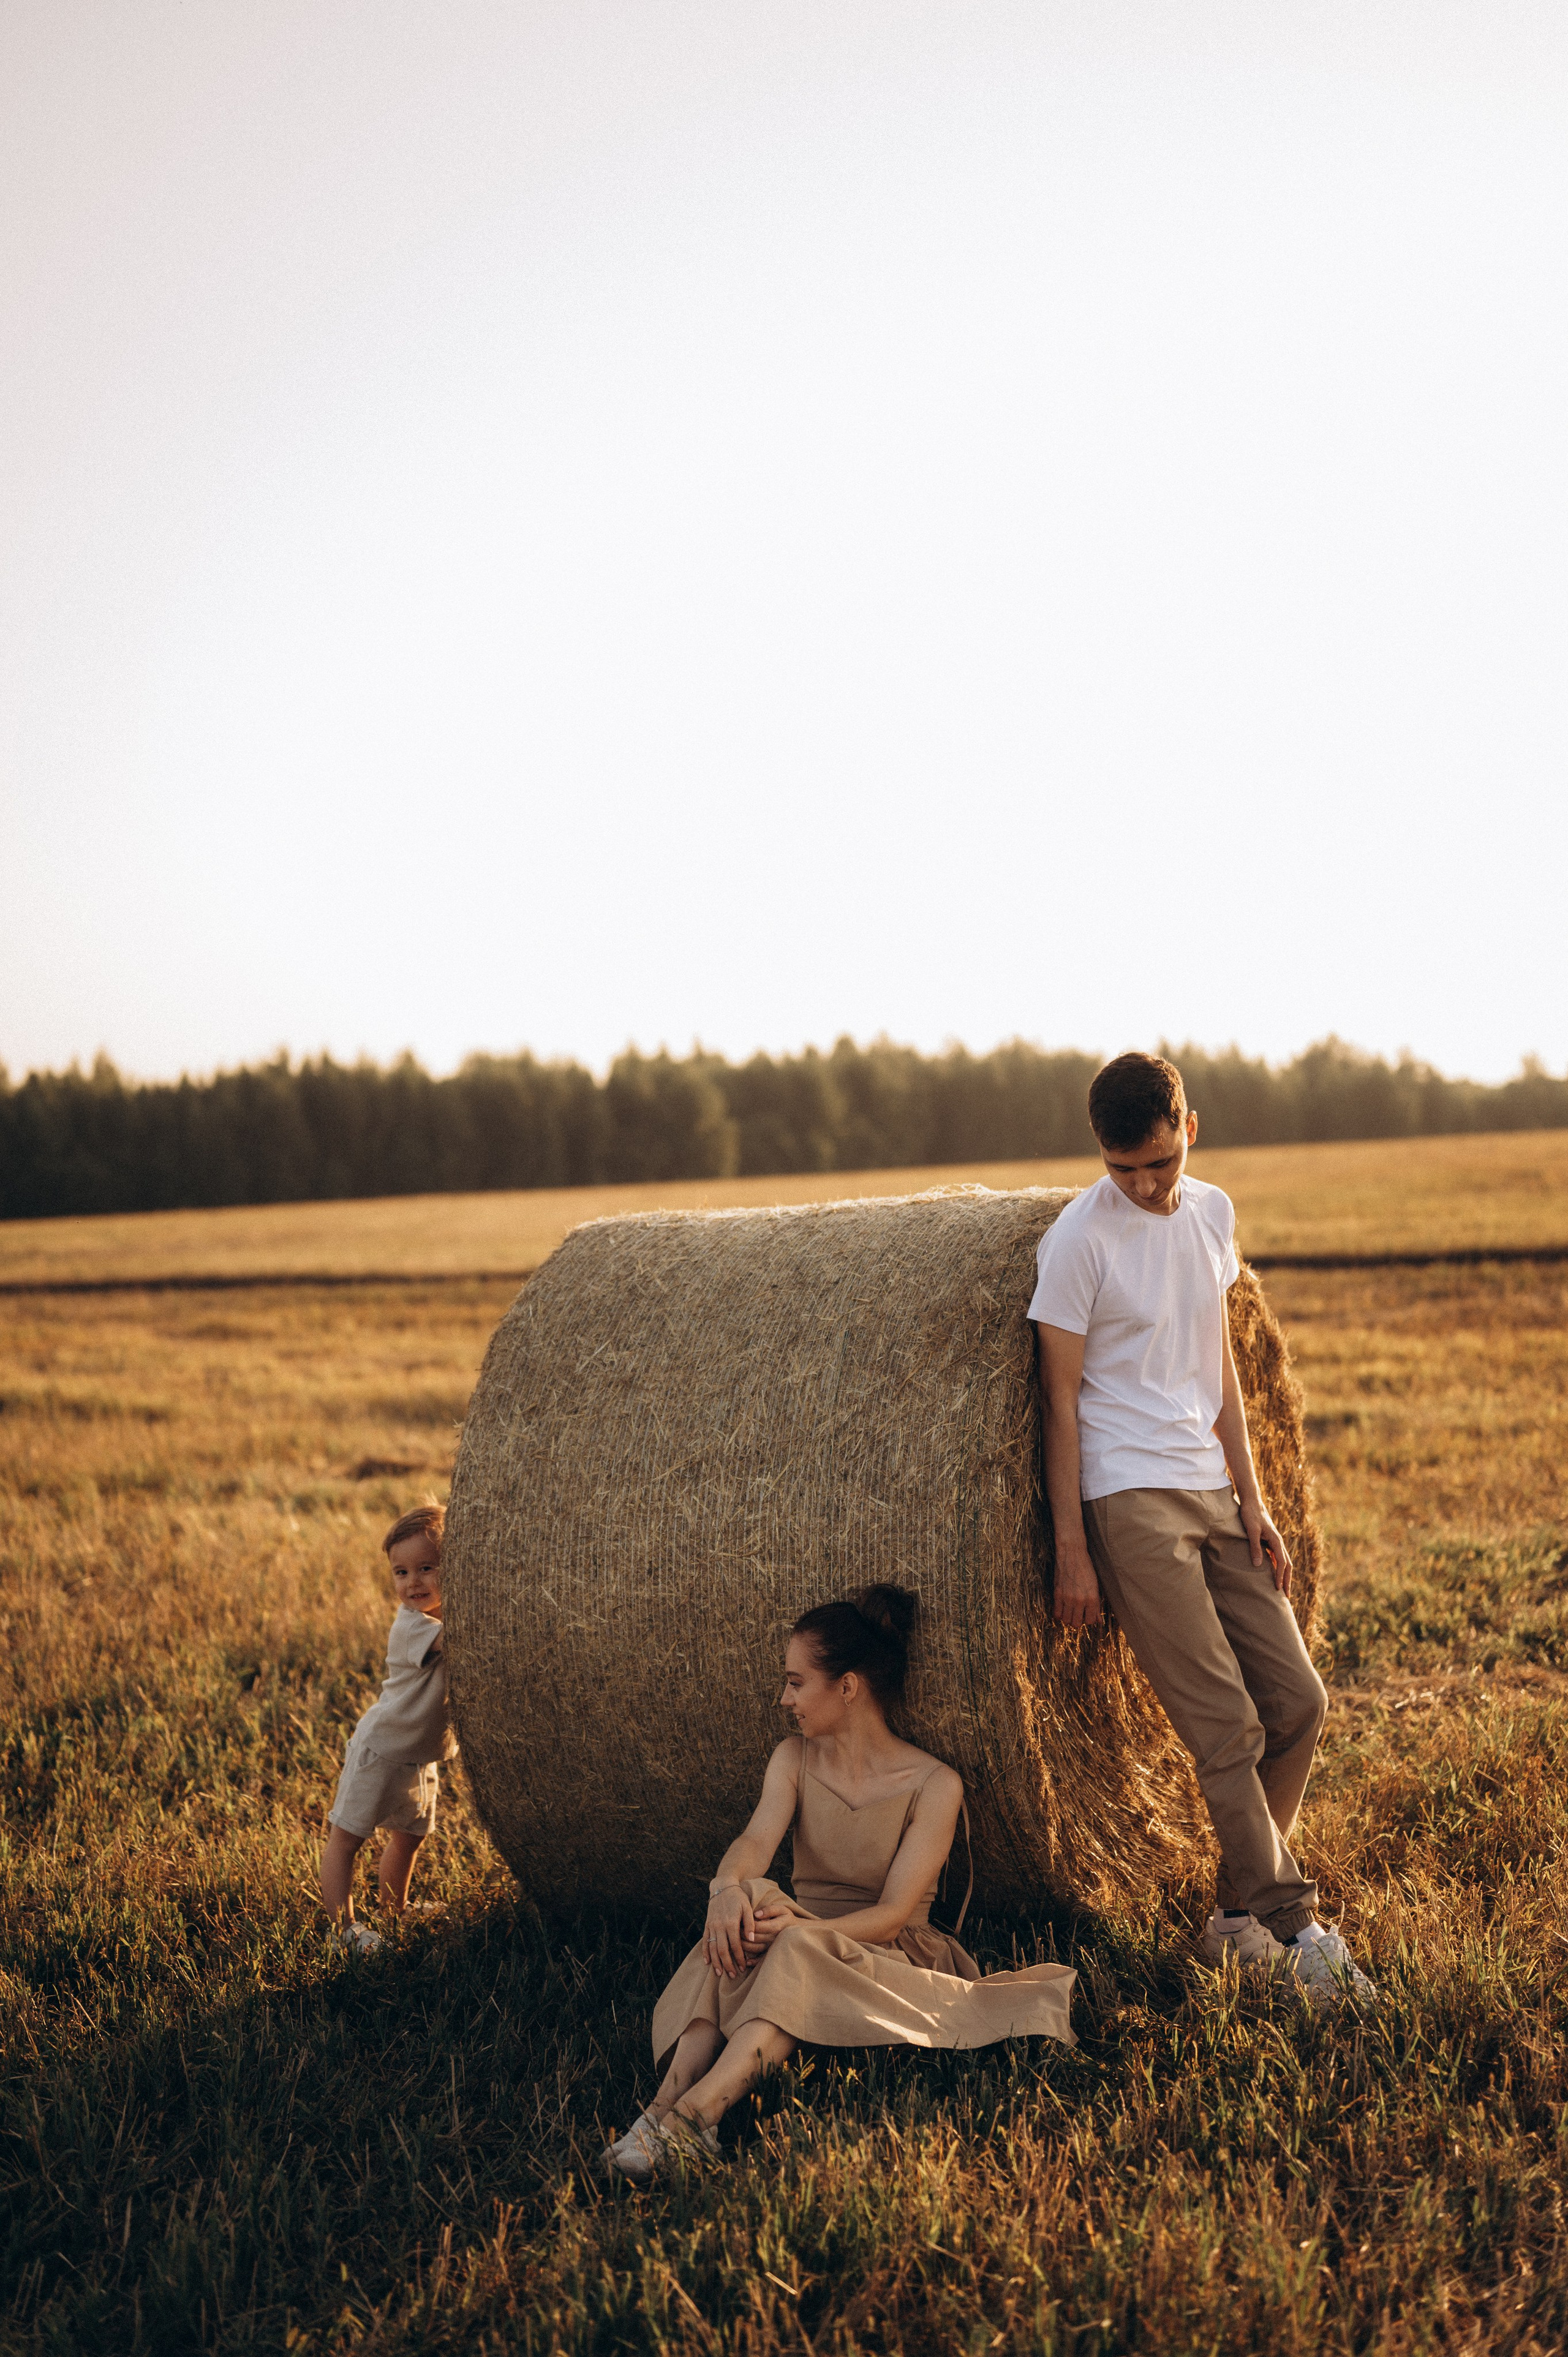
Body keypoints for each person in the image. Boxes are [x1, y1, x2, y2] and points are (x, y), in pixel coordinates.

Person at [1032, 1050, 1373, 2004]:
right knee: (1224, 1726)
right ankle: (1296, 1927)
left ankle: (1233, 1917)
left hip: (1209, 1492)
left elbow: (1218, 1361)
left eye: (1158, 1163)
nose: (1142, 1186)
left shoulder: (1213, 1215)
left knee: (1298, 1702)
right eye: (1120, 1168)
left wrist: (1254, 1500)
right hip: (1127, 1499)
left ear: (1192, 1129)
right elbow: (1059, 1404)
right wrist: (1072, 1551)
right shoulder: (1078, 1243)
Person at [601, 1585, 1076, 2181]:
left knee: (791, 1938)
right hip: (802, 1944)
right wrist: (726, 1889)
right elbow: (754, 1842)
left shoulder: (935, 1783)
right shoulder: (792, 1759)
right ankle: (660, 2112)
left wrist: (803, 1928)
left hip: (885, 1952)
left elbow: (894, 1912)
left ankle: (693, 2119)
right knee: (747, 1906)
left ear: (847, 1685)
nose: (784, 1697)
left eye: (797, 1682)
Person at [319, 1504, 454, 1953]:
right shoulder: (413, 1627)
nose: (412, 1582)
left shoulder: (436, 1619)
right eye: (400, 1572)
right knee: (346, 1839)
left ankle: (394, 1908)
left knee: (410, 1838)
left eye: (427, 1568)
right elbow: (468, 1637)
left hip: (418, 1755)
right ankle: (343, 1930)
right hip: (381, 1749)